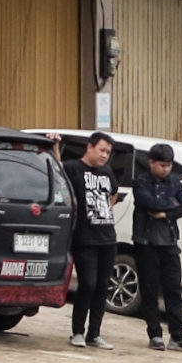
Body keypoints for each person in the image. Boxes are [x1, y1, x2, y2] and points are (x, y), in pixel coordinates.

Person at [131, 142, 182, 352]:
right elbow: (147, 202)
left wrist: (167, 213)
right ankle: (155, 334)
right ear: (151, 163)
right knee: (150, 291)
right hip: (146, 243)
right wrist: (171, 204)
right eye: (162, 165)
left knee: (174, 290)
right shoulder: (141, 181)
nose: (166, 169)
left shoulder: (175, 182)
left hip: (169, 242)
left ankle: (178, 336)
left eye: (169, 165)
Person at [68, 131, 123, 349]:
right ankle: (77, 332)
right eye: (102, 150)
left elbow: (115, 192)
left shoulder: (107, 171)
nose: (105, 156)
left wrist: (106, 207)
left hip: (107, 237)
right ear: (89, 147)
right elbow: (57, 172)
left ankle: (94, 333)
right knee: (87, 284)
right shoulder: (73, 168)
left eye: (108, 152)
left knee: (102, 287)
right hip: (84, 238)